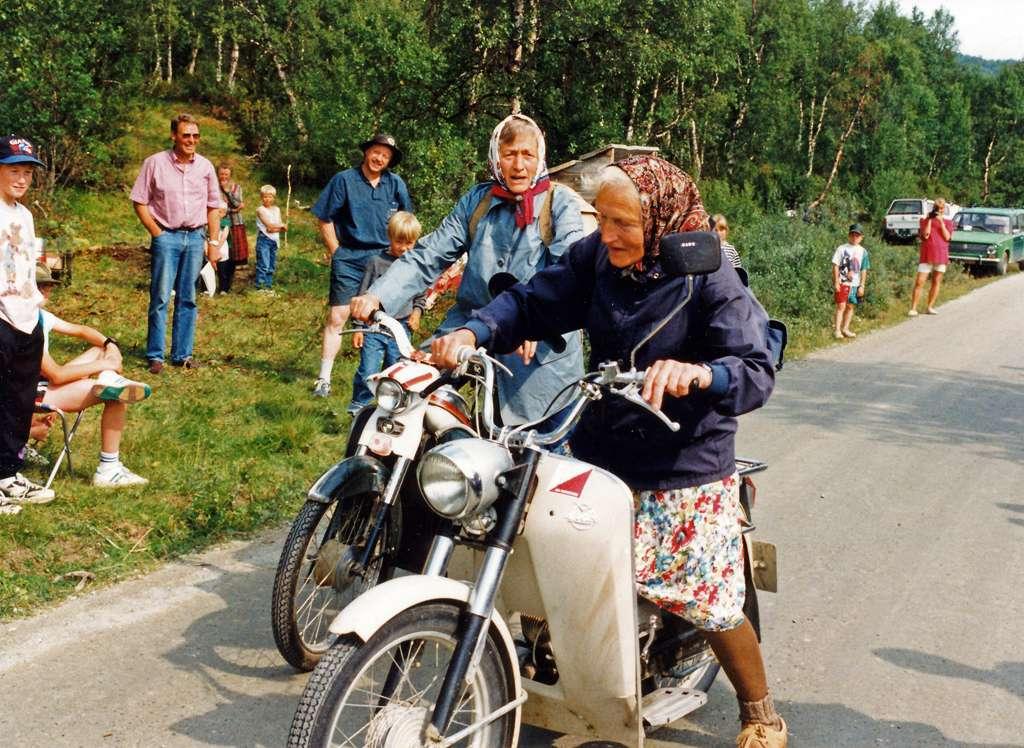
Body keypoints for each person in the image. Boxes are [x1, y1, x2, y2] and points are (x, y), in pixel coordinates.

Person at [430, 156, 786, 747]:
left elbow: (754, 370)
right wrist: (476, 330)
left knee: (703, 595)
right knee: (548, 555)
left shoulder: (710, 273)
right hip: (601, 439)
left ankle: (760, 713)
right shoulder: (596, 254)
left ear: (664, 222)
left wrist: (699, 374)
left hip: (683, 460)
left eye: (626, 224)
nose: (610, 235)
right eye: (603, 220)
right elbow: (534, 301)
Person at [350, 114, 587, 426]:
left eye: (527, 154)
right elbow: (429, 253)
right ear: (495, 157)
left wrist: (536, 321)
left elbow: (568, 272)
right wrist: (378, 295)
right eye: (509, 154)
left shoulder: (561, 204)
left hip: (538, 348)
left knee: (530, 453)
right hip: (467, 329)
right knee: (406, 403)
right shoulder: (478, 200)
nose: (518, 165)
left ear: (540, 156)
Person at [311, 134, 413, 398]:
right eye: (376, 152)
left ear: (390, 160)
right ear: (367, 152)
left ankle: (386, 385)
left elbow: (407, 221)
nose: (379, 158)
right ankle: (324, 379)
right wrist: (337, 252)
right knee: (337, 317)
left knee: (386, 321)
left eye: (386, 155)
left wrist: (404, 255)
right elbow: (324, 218)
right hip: (350, 258)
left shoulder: (395, 184)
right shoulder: (344, 180)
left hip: (384, 260)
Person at [35, 266, 151, 488]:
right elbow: (57, 375)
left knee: (99, 350)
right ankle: (108, 470)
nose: (46, 291)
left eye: (48, 286)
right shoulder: (23, 324)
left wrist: (110, 345)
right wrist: (105, 363)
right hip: (34, 392)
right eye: (40, 286)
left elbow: (81, 331)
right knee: (117, 396)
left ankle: (109, 379)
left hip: (41, 383)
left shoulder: (38, 316)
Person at [130, 113, 221, 374]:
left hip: (194, 237)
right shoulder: (155, 163)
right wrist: (156, 232)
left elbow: (213, 206)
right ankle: (155, 355)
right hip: (166, 237)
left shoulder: (205, 167)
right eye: (186, 135)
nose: (191, 140)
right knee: (160, 296)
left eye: (195, 135)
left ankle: (182, 354)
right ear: (174, 136)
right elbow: (139, 200)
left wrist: (213, 242)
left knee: (188, 297)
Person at [0, 134, 55, 509]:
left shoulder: (25, 215)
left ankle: (8, 474)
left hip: (26, 317)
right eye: (14, 170)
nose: (22, 179)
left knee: (20, 399)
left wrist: (35, 311)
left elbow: (26, 268)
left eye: (28, 172)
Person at [347, 211, 426, 414]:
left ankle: (390, 407)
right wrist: (358, 328)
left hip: (401, 329)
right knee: (368, 369)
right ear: (390, 237)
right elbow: (362, 295)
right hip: (374, 327)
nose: (405, 248)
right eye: (400, 242)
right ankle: (360, 405)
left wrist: (416, 313)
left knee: (396, 370)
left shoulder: (414, 265)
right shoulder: (376, 262)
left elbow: (420, 295)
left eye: (410, 243)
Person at [909, 198, 952, 316]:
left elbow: (947, 237)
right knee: (920, 282)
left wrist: (941, 222)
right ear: (933, 208)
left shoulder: (948, 222)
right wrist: (929, 219)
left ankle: (930, 306)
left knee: (936, 281)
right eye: (937, 208)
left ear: (944, 209)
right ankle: (913, 308)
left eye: (941, 208)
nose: (939, 211)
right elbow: (925, 235)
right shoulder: (924, 220)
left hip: (941, 253)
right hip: (927, 254)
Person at [831, 223, 868, 339]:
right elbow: (835, 265)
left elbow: (863, 269)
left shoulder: (863, 251)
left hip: (855, 284)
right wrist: (836, 282)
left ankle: (845, 328)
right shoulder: (842, 249)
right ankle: (837, 330)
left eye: (857, 235)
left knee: (851, 306)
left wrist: (862, 285)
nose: (854, 237)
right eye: (852, 234)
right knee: (841, 306)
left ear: (861, 237)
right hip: (843, 282)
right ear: (848, 235)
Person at [215, 163, 247, 293]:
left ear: (230, 175)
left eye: (226, 174)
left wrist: (227, 192)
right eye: (221, 174)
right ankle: (217, 284)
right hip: (219, 223)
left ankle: (227, 285)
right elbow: (217, 208)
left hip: (235, 224)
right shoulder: (214, 187)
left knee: (233, 254)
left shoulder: (236, 187)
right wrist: (233, 209)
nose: (223, 177)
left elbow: (237, 203)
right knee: (221, 252)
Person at [254, 184, 287, 291]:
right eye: (265, 196)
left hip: (274, 240)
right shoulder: (260, 210)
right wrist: (280, 226)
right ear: (261, 197)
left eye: (270, 196)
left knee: (271, 266)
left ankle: (268, 287)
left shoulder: (276, 209)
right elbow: (269, 226)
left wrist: (279, 227)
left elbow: (277, 227)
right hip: (264, 239)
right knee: (264, 264)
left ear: (274, 197)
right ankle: (260, 287)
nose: (267, 199)